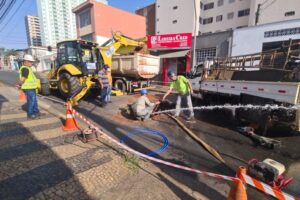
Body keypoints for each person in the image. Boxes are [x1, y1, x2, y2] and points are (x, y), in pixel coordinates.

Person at [17, 54, 42, 119]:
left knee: (34, 100)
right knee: (31, 101)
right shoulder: (25, 69)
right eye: (30, 61)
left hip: (31, 88)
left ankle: (36, 112)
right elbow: (22, 79)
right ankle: (30, 114)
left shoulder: (28, 68)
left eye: (32, 61)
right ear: (26, 62)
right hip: (29, 88)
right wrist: (19, 85)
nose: (32, 63)